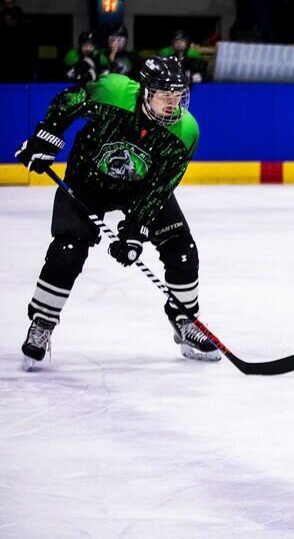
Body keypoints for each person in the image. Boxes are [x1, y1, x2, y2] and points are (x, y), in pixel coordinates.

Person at [13, 56, 219, 370]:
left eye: (178, 96)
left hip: (139, 189)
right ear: (146, 91)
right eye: (165, 95)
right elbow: (72, 99)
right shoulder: (112, 90)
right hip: (88, 181)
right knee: (68, 249)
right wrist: (48, 134)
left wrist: (136, 229)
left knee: (182, 249)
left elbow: (159, 187)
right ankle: (42, 322)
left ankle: (185, 321)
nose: (172, 104)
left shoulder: (185, 131)